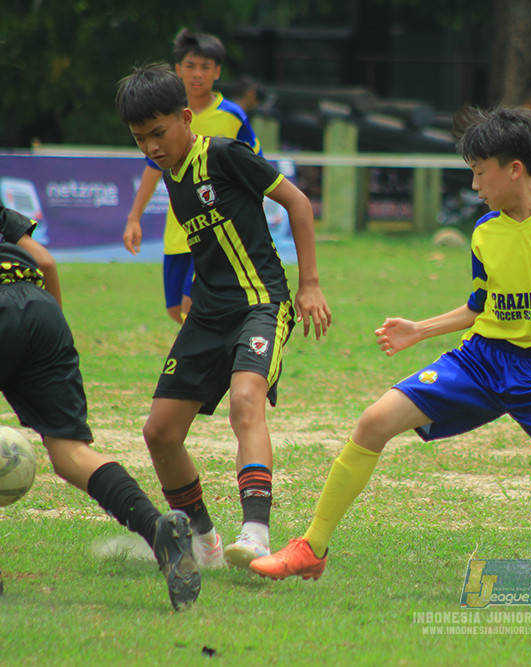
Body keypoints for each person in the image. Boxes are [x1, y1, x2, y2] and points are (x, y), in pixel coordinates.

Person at [251, 106, 531, 603]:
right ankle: (311, 547)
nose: (475, 186)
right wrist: (419, 330)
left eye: (479, 173)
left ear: (514, 169)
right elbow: (481, 306)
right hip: (480, 360)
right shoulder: (486, 231)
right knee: (374, 421)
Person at [115, 63, 332, 571]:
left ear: (186, 117)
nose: (150, 147)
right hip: (207, 314)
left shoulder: (226, 154)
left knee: (244, 401)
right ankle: (204, 539)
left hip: (261, 303)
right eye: (139, 138)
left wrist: (310, 285)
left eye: (158, 133)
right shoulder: (171, 173)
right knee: (159, 433)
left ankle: (256, 534)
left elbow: (297, 203)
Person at [0, 202, 200, 611]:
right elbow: (46, 263)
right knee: (72, 452)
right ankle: (157, 527)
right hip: (40, 310)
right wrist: (53, 330)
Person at [122, 28, 261, 325]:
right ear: (178, 70)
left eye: (205, 67)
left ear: (217, 72)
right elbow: (153, 167)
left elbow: (254, 165)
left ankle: (215, 360)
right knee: (176, 310)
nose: (197, 74)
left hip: (214, 227)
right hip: (178, 229)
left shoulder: (232, 115)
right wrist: (134, 217)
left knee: (192, 305)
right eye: (190, 66)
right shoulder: (165, 115)